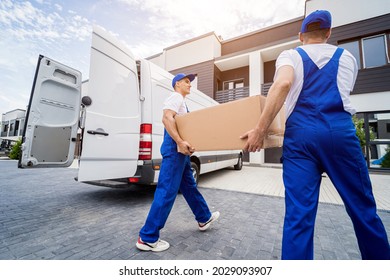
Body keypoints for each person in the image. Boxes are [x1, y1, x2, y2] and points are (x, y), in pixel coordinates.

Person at [241, 10, 390, 260]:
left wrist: (260, 130)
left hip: (300, 137)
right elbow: (342, 93)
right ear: (329, 33)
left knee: (299, 216)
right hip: (340, 133)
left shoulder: (290, 55)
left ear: (301, 36)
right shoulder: (348, 58)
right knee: (363, 210)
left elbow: (282, 84)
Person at [136, 73, 220, 252]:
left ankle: (204, 218)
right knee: (166, 191)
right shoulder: (176, 97)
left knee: (189, 187)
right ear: (178, 84)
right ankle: (148, 237)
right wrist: (180, 142)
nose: (190, 85)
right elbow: (167, 118)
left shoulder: (182, 101)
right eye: (187, 82)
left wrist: (187, 144)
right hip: (175, 152)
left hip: (181, 154)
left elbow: (181, 126)